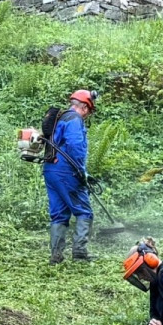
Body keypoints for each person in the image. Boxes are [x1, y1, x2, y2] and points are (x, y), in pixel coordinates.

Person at [44, 89, 96, 263]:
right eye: (89, 111)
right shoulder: (75, 119)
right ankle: (80, 252)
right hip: (66, 171)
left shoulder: (61, 118)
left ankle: (56, 255)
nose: (88, 115)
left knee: (59, 214)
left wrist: (85, 173)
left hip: (51, 170)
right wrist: (81, 171)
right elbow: (75, 146)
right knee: (84, 211)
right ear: (85, 107)